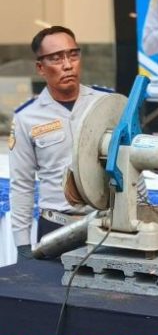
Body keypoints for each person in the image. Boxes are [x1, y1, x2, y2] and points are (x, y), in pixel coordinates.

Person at [10, 26, 111, 260]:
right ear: (40, 68)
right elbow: (22, 185)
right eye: (56, 58)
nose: (67, 65)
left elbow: (129, 162)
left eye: (73, 55)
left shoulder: (106, 103)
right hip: (56, 229)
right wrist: (23, 246)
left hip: (105, 227)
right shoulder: (27, 117)